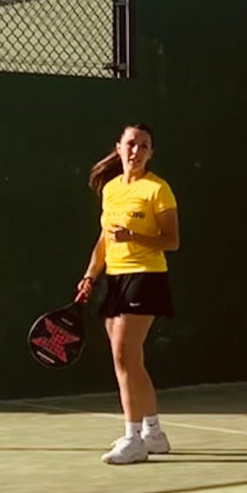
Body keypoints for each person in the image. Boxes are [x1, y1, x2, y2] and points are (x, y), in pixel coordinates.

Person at [78, 123, 180, 466]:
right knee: (131, 360)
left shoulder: (158, 190)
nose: (136, 150)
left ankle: (133, 438)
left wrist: (133, 236)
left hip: (146, 276)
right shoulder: (110, 190)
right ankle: (154, 434)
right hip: (114, 278)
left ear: (151, 154)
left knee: (123, 356)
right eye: (131, 144)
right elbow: (105, 239)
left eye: (144, 146)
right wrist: (91, 274)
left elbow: (171, 240)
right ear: (119, 147)